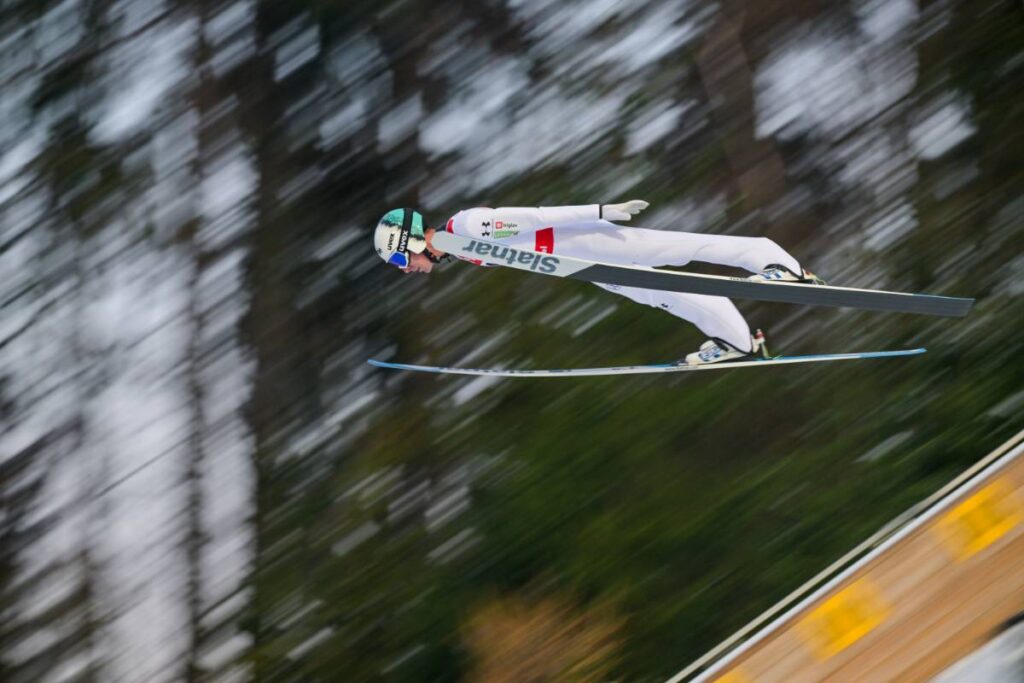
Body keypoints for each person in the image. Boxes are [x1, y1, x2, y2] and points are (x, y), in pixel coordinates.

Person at [372, 202, 824, 365]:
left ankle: (775, 261)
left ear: (410, 238)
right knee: (661, 294)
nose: (404, 267)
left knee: (678, 250)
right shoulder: (459, 245)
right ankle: (738, 341)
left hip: (586, 243)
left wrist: (598, 212)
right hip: (580, 263)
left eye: (399, 257)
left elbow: (533, 218)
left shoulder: (467, 227)